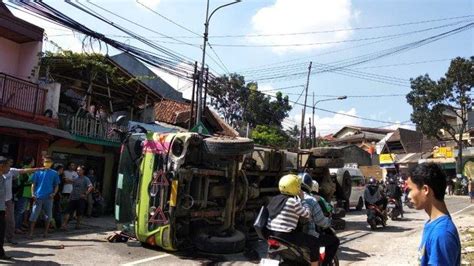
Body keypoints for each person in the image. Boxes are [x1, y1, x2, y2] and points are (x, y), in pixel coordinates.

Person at [407, 163, 461, 265]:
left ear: (425, 190)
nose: (408, 195)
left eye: (410, 190)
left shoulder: (441, 234)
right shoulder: (433, 223)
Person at [266, 174, 320, 266]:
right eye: (298, 186)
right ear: (295, 187)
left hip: (271, 234)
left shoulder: (275, 199)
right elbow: (307, 214)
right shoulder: (293, 201)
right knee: (314, 242)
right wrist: (303, 200)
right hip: (285, 236)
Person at [299, 173, 339, 266]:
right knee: (334, 241)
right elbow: (322, 220)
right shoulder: (313, 199)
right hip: (308, 235)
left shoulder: (290, 198)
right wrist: (329, 222)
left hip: (289, 235)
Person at [4, 159, 42, 244]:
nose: (9, 167)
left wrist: (39, 169)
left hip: (8, 200)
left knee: (11, 221)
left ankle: (10, 238)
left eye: (9, 165)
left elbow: (24, 170)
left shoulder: (11, 171)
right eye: (7, 165)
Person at [29, 156, 60, 238]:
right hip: (38, 197)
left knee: (48, 216)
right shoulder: (37, 172)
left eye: (49, 161)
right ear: (43, 162)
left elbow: (56, 185)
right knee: (34, 215)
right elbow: (33, 184)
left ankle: (45, 232)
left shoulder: (54, 173)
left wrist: (53, 193)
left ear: (52, 163)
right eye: (46, 161)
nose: (47, 163)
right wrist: (32, 194)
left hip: (49, 198)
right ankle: (31, 233)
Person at [61, 165, 93, 230]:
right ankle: (64, 225)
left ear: (83, 171)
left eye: (79, 170)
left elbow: (91, 187)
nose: (78, 171)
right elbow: (70, 182)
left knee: (79, 213)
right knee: (68, 211)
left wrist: (85, 194)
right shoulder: (75, 178)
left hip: (81, 198)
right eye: (77, 170)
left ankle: (78, 225)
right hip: (73, 197)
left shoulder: (86, 179)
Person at [0, 156, 12, 260]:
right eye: (8, 166)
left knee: (1, 232)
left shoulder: (3, 177)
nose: (9, 168)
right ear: (1, 166)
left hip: (1, 209)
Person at [52, 164, 64, 229]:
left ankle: (55, 224)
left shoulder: (60, 176)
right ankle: (57, 224)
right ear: (59, 169)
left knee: (55, 210)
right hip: (55, 195)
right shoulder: (56, 176)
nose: (63, 171)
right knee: (57, 210)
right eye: (62, 169)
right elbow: (57, 186)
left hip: (55, 195)